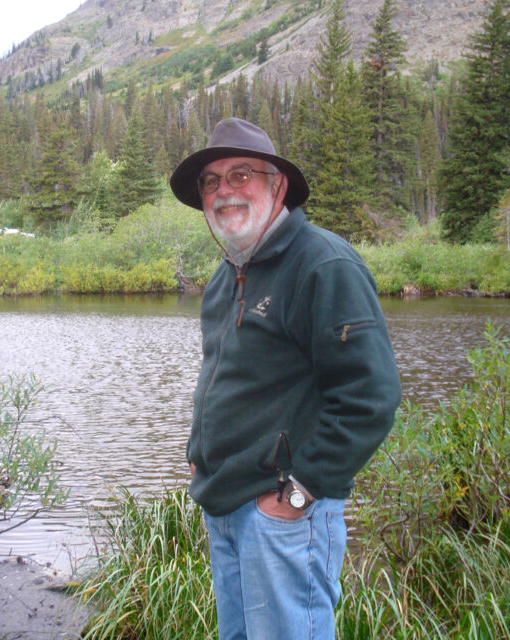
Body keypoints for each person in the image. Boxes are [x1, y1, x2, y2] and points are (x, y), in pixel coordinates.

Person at [169, 118, 401, 640]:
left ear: (278, 184)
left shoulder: (324, 264)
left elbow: (371, 397)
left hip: (281, 515)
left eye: (241, 174)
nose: (223, 190)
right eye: (211, 180)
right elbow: (219, 373)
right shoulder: (226, 276)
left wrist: (298, 496)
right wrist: (197, 449)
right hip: (223, 505)